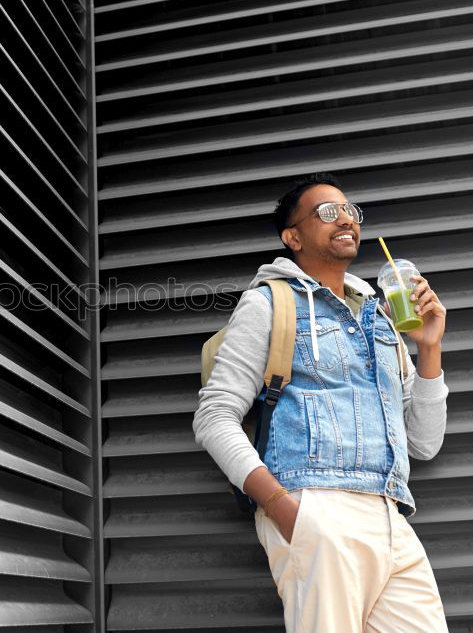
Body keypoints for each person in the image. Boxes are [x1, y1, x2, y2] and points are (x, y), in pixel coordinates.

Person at [192, 172, 450, 632]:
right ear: (293, 236)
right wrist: (287, 510)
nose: (345, 218)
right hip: (317, 506)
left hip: (391, 512)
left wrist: (428, 348)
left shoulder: (381, 317)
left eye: (351, 210)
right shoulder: (270, 303)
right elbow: (214, 416)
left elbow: (424, 443)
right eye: (326, 212)